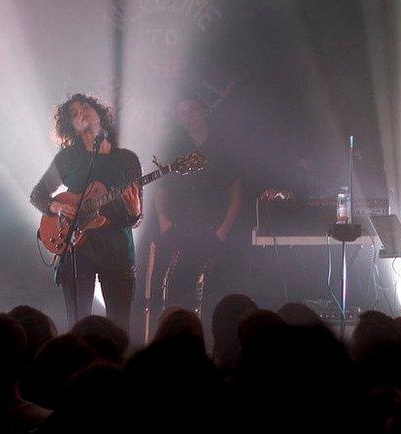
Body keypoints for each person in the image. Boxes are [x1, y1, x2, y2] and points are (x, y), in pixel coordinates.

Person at [30, 93, 142, 332]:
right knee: (78, 327)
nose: (82, 112)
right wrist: (58, 207)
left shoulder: (127, 159)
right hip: (76, 250)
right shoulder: (69, 157)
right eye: (74, 113)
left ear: (99, 112)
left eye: (85, 106)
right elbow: (38, 194)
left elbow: (133, 217)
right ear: (71, 126)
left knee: (119, 329)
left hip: (117, 251)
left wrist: (134, 213)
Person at [153, 96, 242, 315]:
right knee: (166, 285)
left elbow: (235, 196)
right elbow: (160, 191)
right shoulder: (174, 149)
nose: (188, 116)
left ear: (204, 110)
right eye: (183, 113)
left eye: (192, 110)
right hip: (177, 226)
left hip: (210, 226)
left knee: (205, 289)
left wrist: (222, 231)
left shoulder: (223, 149)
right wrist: (164, 221)